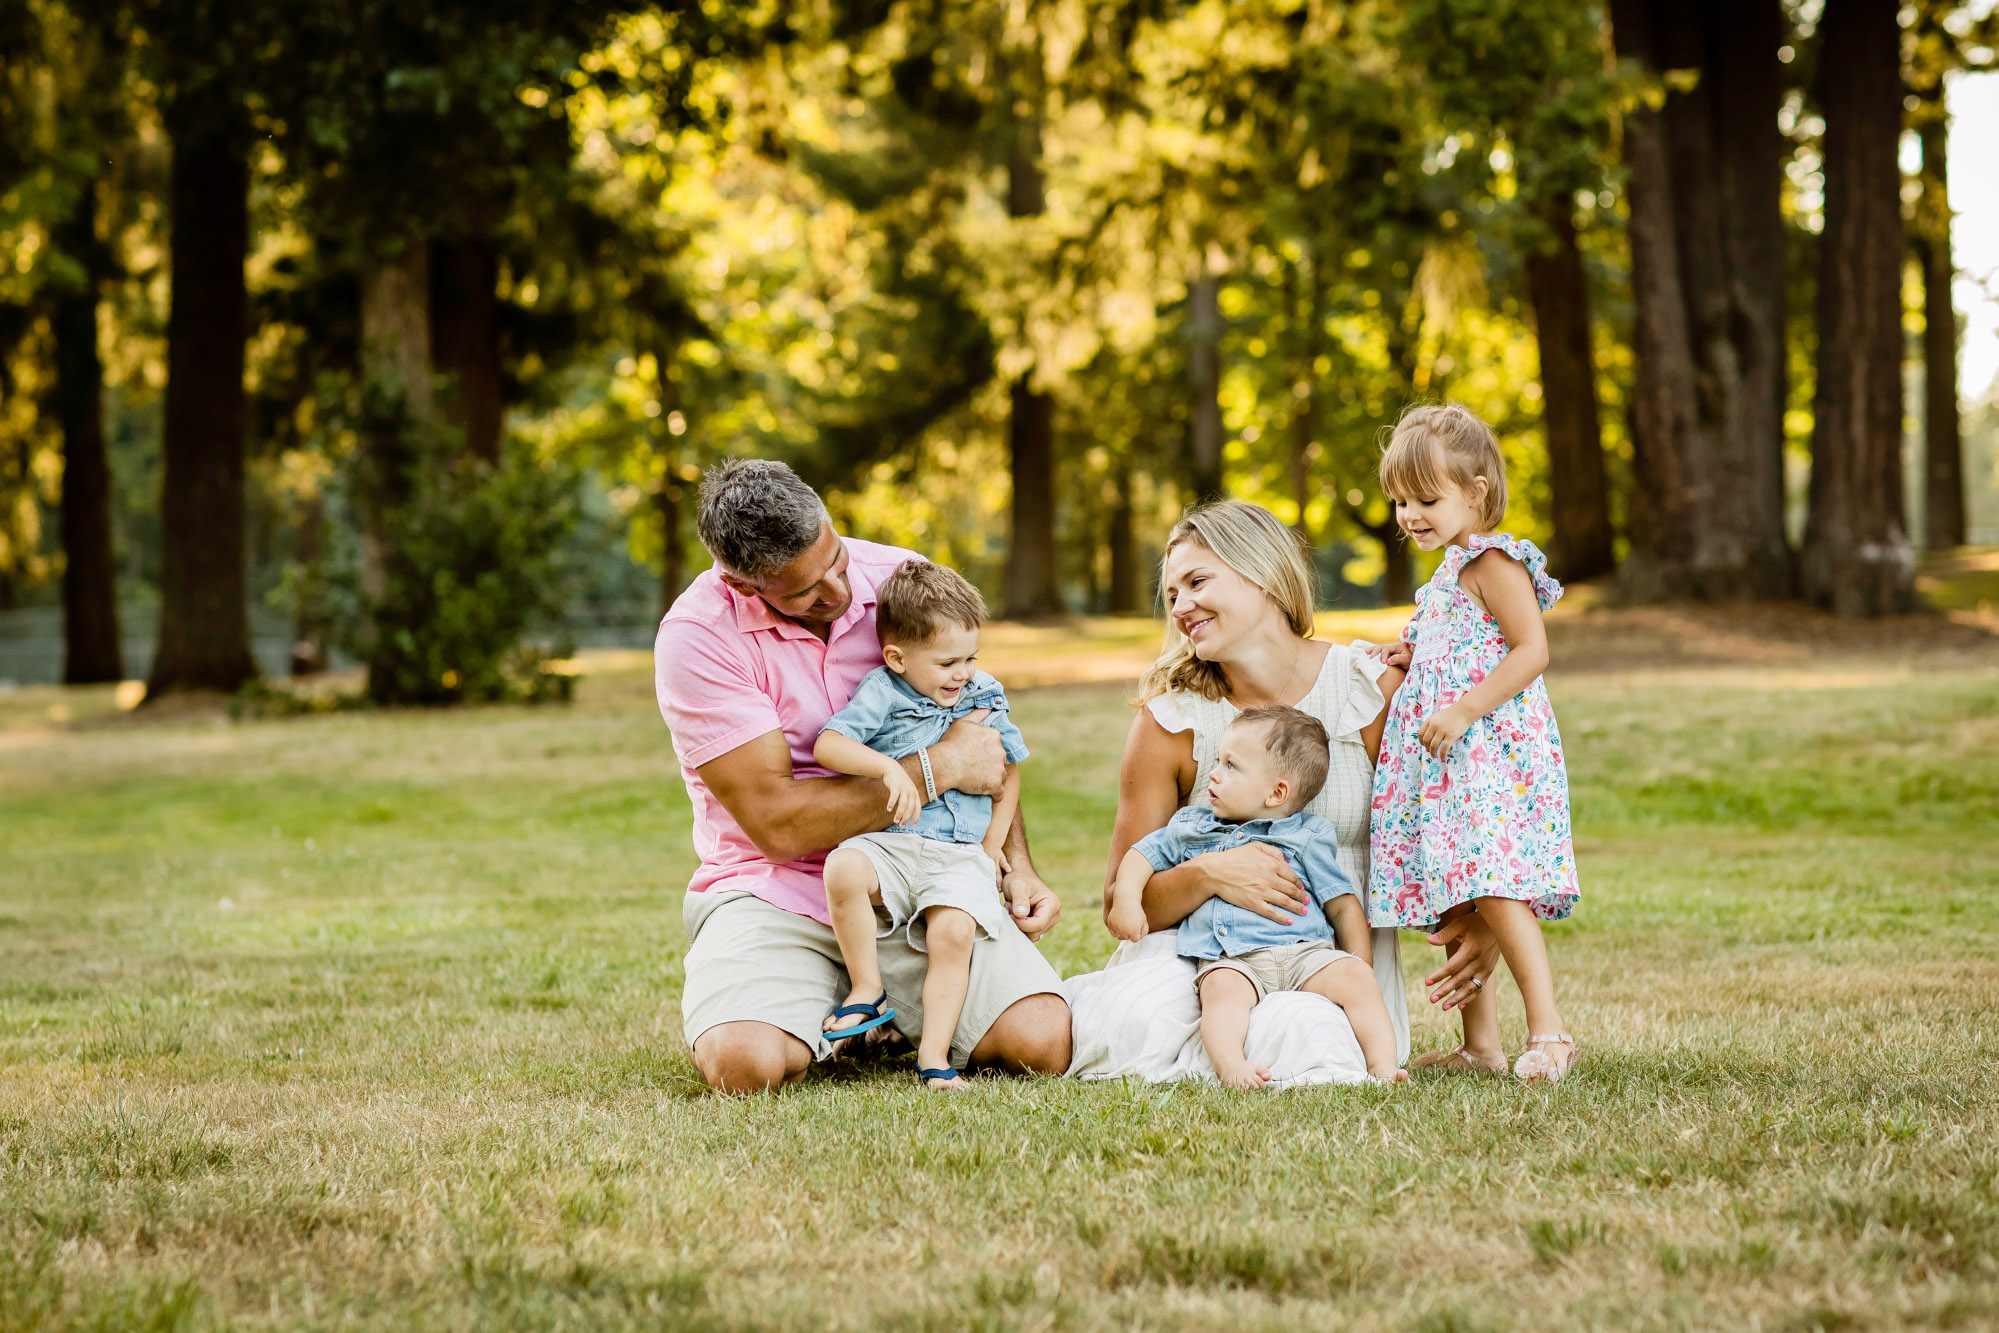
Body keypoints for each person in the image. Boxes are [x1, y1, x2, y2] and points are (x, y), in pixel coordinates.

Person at [653, 460, 1070, 1093]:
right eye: (804, 591)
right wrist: (936, 768)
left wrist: (1015, 866)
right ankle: (841, 1002)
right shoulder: (697, 638)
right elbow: (779, 825)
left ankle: (885, 1012)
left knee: (1042, 1041)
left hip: (919, 864)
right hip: (776, 886)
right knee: (744, 1065)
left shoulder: (904, 582)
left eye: (837, 561)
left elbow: (981, 736)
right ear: (741, 582)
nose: (839, 594)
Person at [1067, 500, 1502, 1087]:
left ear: (1264, 574)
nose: (1181, 607)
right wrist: (1210, 875)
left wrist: (1481, 920)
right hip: (1201, 958)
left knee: (1312, 1033)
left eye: (1198, 582)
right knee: (1141, 1024)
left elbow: (1434, 835)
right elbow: (1125, 903)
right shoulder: (1169, 724)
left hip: (1332, 963)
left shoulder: (1366, 690)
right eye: (1171, 595)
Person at [1367, 403, 1581, 1082]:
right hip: (1445, 767)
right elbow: (1453, 644)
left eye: (1424, 498)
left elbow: (1530, 649)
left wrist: (1462, 707)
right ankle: (1480, 1043)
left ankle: (1548, 1030)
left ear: (1474, 493)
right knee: (1460, 895)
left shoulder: (1493, 561)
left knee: (1492, 885)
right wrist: (1407, 651)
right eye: (1399, 501)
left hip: (1490, 757)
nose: (1408, 515)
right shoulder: (1441, 578)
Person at [813, 560, 1030, 1092]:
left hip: (959, 850)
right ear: (897, 658)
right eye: (948, 662)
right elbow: (829, 744)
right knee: (843, 867)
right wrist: (888, 766)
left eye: (971, 658)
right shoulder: (883, 691)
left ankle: (934, 1058)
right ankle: (868, 988)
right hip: (893, 842)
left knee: (953, 931)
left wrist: (991, 847)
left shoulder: (983, 693)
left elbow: (1010, 772)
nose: (964, 673)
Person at [1107, 705, 1405, 1087]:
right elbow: (1141, 855)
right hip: (1233, 957)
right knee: (1220, 993)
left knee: (1357, 980)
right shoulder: (1193, 827)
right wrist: (1128, 901)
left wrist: (1358, 964)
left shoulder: (1307, 836)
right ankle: (1231, 1064)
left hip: (1304, 953)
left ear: (1277, 791)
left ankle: (1384, 1066)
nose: (1213, 774)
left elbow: (1343, 904)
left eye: (1231, 766)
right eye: (1218, 760)